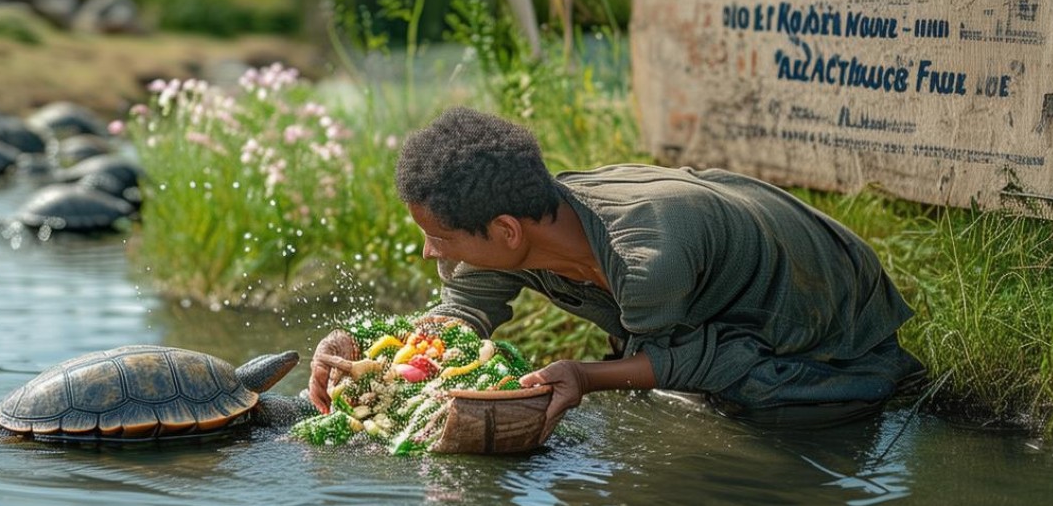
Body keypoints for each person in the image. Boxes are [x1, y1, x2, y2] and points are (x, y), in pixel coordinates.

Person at [308, 107, 924, 440]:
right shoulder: (530, 223)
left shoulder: (645, 258)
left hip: (831, 323)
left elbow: (702, 360)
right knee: (661, 387)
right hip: (713, 295)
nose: (428, 253)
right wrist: (368, 357)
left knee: (751, 417)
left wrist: (586, 376)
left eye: (439, 238)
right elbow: (459, 316)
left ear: (506, 232)